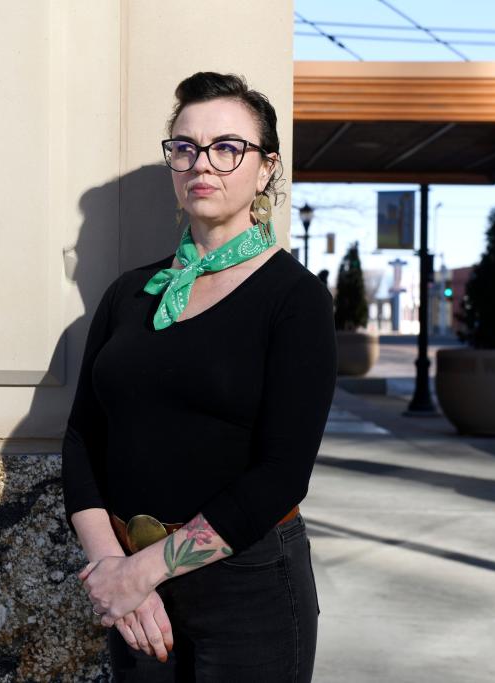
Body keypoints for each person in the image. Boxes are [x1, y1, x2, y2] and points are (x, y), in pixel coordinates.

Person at [61, 71, 337, 682]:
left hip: (249, 587)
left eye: (226, 147)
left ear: (265, 168)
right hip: (136, 590)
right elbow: (83, 437)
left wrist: (144, 570)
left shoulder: (295, 298)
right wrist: (114, 568)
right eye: (184, 147)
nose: (201, 163)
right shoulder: (128, 293)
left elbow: (282, 473)